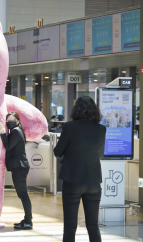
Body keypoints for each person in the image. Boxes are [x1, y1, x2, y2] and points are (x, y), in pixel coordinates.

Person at [54, 96, 106, 242]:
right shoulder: (101, 129)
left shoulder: (69, 126)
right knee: (93, 226)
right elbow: (100, 154)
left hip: (73, 179)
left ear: (76, 109)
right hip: (94, 181)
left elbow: (58, 151)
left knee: (70, 227)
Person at [0, 111, 33, 230]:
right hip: (18, 167)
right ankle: (27, 219)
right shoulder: (16, 131)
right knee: (22, 194)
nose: (9, 122)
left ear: (18, 121)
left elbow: (8, 146)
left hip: (20, 167)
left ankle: (28, 221)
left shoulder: (16, 132)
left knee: (23, 194)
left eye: (12, 120)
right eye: (8, 120)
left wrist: (2, 132)